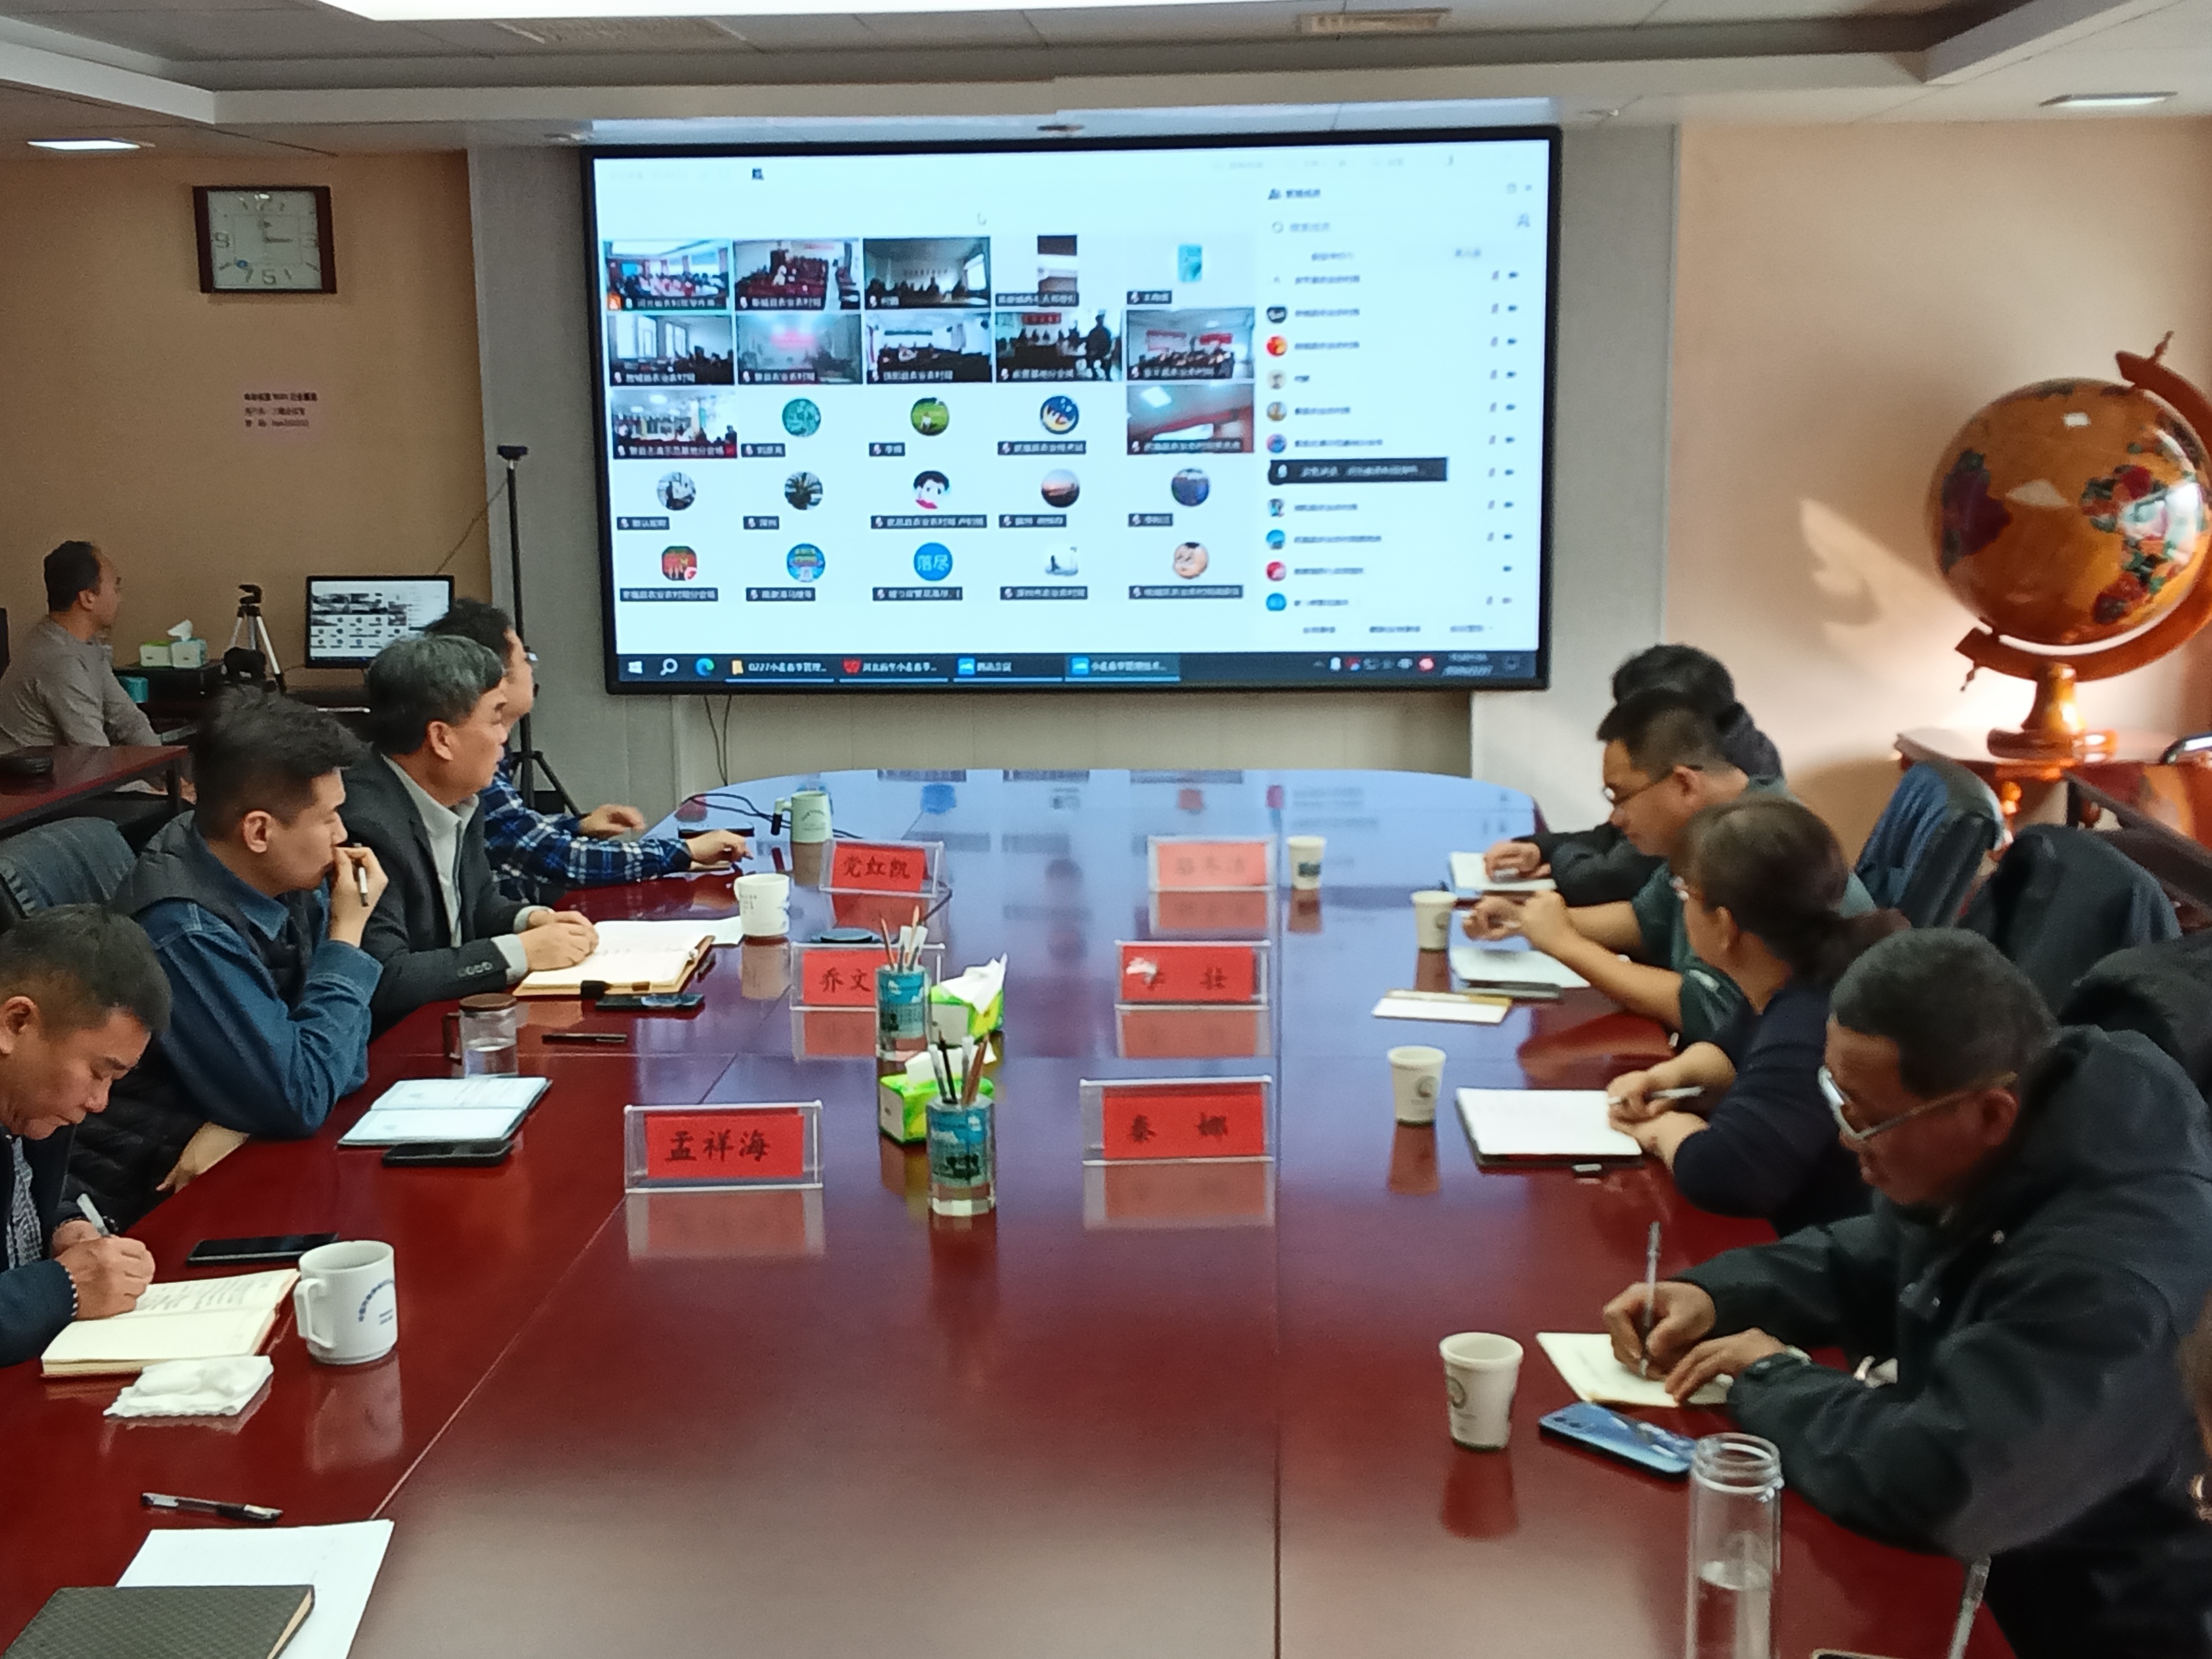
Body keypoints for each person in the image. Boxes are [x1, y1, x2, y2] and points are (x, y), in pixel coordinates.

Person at [1603, 930, 2212, 1657]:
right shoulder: (2034, 1118)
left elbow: (1944, 1482)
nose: (1844, 1139)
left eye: (1865, 1118)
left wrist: (1773, 1379)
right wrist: (1721, 1294)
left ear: (1990, 1115)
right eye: (1836, 1098)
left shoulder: (2114, 1283)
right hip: (1978, 1572)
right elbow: (1893, 1246)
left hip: (2068, 1618)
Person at [69, 689, 387, 1227]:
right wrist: (346, 936)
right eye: (329, 817)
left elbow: (344, 1064)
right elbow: (304, 1097)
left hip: (242, 1153)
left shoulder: (272, 873)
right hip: (153, 1202)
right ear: (259, 830)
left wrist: (246, 1118)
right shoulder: (183, 928)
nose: (342, 836)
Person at [1465, 690, 1872, 1043]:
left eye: (1621, 797)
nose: (1615, 819)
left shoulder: (1763, 845)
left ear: (1684, 784)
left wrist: (1565, 944)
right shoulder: (1712, 829)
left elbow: (1710, 1011)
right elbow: (1645, 921)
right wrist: (1526, 918)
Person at [1603, 795, 1904, 1235]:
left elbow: (1730, 1176)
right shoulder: (1799, 972)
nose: (1681, 906)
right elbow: (1733, 1047)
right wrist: (1669, 1079)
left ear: (1725, 925)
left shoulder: (1811, 1021)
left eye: (1684, 893)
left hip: (1836, 1247)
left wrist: (1664, 1130)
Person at [422, 600, 749, 907]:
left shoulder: (482, 741)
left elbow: (508, 836)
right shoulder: (466, 753)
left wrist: (577, 827)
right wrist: (684, 851)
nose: (532, 669)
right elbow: (549, 856)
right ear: (495, 678)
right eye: (525, 659)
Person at [342, 634, 597, 1027]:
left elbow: (478, 906)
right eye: (495, 719)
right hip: (394, 1043)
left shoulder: (458, 797)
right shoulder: (363, 823)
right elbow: (385, 976)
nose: (504, 736)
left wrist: (532, 920)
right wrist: (520, 952)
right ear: (441, 739)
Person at [0, 905, 170, 1367]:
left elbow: (21, 1193)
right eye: (98, 1072)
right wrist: (65, 1288)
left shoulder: (31, 1107)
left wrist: (63, 1226)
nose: (100, 1103)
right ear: (16, 1023)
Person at [1483, 644, 1781, 907]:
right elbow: (1645, 913)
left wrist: (1559, 867)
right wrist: (1542, 848)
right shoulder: (1721, 757)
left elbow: (1610, 880)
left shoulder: (1744, 822)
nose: (1625, 731)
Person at [0, 541, 160, 751]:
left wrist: (169, 767)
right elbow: (94, 754)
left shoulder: (86, 645)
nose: (119, 598)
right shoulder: (59, 661)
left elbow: (127, 719)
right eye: (115, 588)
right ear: (88, 598)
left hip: (68, 768)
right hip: (30, 772)